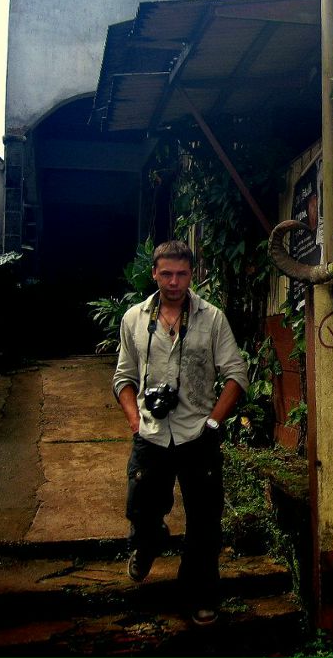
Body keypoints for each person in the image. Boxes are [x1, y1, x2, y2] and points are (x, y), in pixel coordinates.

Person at [112, 240, 247, 626]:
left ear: (192, 273)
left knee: (205, 521)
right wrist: (135, 421)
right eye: (166, 273)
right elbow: (123, 377)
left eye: (182, 274)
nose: (174, 282)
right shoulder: (134, 319)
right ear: (154, 273)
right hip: (151, 434)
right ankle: (146, 544)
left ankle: (200, 595)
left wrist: (214, 422)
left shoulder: (212, 318)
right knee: (141, 508)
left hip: (197, 434)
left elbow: (236, 374)